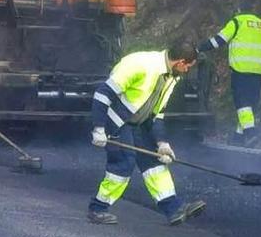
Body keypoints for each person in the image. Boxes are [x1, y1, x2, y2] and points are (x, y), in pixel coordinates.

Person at [87, 43, 206, 225]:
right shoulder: (142, 65)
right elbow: (102, 95)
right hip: (117, 121)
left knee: (155, 162)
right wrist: (99, 128)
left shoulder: (171, 77)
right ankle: (98, 208)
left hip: (139, 121)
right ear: (181, 62)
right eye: (188, 66)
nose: (187, 70)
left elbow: (157, 114)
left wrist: (162, 143)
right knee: (123, 163)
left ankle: (174, 209)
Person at [196, 8, 261, 146]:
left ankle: (250, 133)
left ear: (240, 11)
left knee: (242, 103)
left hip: (241, 69)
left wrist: (200, 48)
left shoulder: (238, 22)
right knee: (250, 104)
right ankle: (238, 137)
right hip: (258, 71)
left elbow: (219, 40)